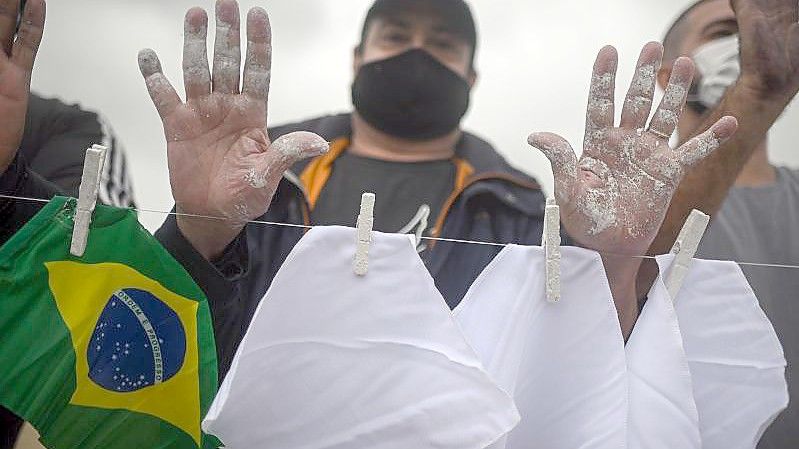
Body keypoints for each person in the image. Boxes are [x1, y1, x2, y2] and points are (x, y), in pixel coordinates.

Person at [659, 0, 799, 447]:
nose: (753, 40)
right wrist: (757, 89)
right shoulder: (622, 212)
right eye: (724, 32)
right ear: (669, 77)